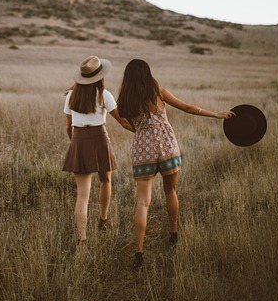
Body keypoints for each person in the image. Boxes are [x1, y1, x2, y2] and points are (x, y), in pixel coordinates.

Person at [117, 58, 235, 269]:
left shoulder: (125, 100)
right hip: (167, 147)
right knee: (170, 191)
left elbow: (128, 123)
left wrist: (143, 133)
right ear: (147, 73)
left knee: (143, 202)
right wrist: (216, 114)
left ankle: (139, 253)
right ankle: (173, 233)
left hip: (143, 150)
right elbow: (187, 108)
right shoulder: (157, 91)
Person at [62, 55, 132, 243]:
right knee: (105, 180)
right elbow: (123, 122)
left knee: (82, 194)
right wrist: (140, 130)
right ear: (100, 76)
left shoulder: (71, 95)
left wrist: (74, 143)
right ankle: (103, 219)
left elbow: (69, 127)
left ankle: (82, 239)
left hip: (79, 140)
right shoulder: (104, 95)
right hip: (100, 138)